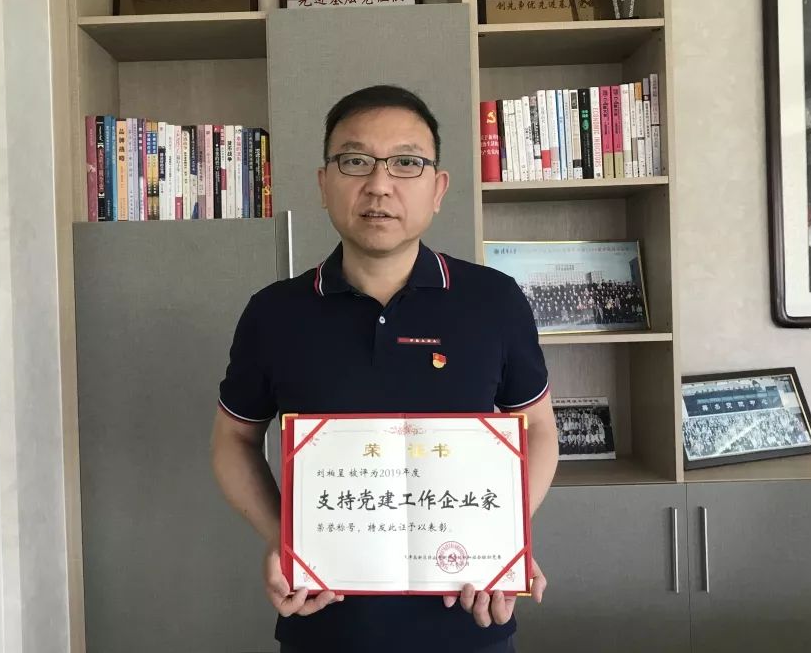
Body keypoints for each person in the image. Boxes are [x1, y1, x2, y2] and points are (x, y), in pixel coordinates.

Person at [211, 84, 559, 653]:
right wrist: (285, 542)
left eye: (406, 163)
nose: (379, 184)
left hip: (469, 622)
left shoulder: (495, 300)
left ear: (438, 188)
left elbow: (539, 427)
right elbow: (234, 437)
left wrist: (505, 537)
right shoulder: (273, 313)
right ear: (324, 183)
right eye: (355, 162)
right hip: (324, 625)